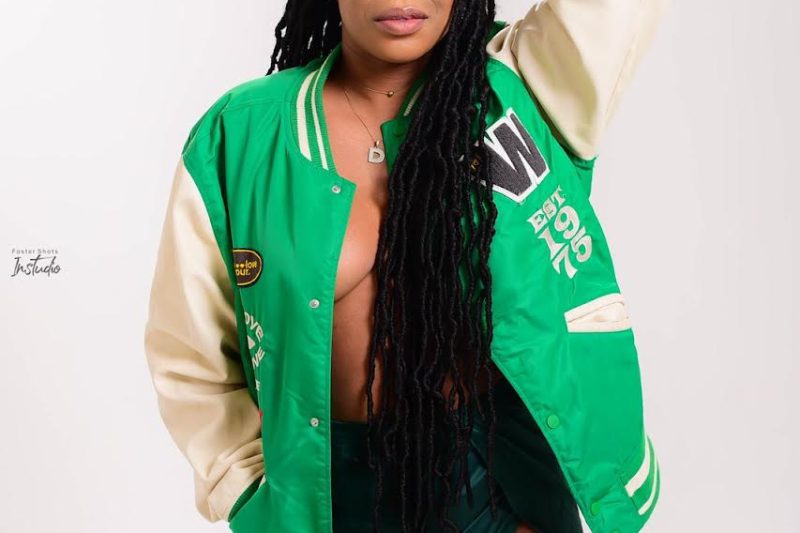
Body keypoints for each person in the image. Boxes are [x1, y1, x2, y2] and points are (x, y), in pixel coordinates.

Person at [144, 1, 669, 532]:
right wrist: (245, 487)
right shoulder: (241, 134)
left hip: (496, 483)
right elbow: (189, 355)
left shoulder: (531, 82)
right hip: (323, 492)